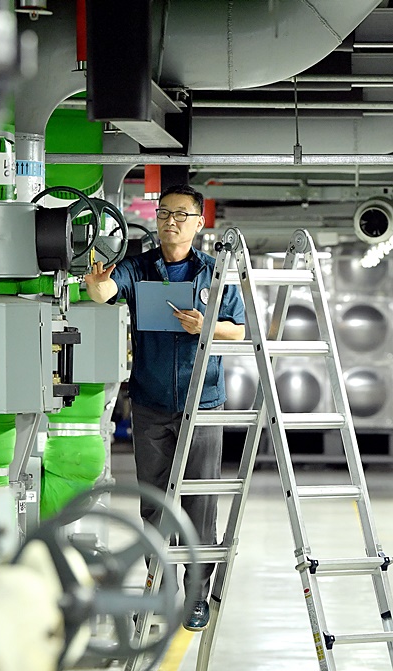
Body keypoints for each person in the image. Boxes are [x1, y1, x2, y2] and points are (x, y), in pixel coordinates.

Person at [84, 183, 245, 630]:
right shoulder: (139, 267)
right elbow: (106, 292)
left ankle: (197, 595)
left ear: (198, 221)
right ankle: (161, 589)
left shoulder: (214, 272)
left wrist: (205, 325)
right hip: (152, 402)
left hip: (202, 401)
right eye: (164, 214)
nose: (170, 222)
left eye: (180, 215)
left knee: (199, 504)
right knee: (154, 503)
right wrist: (96, 284)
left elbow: (238, 328)